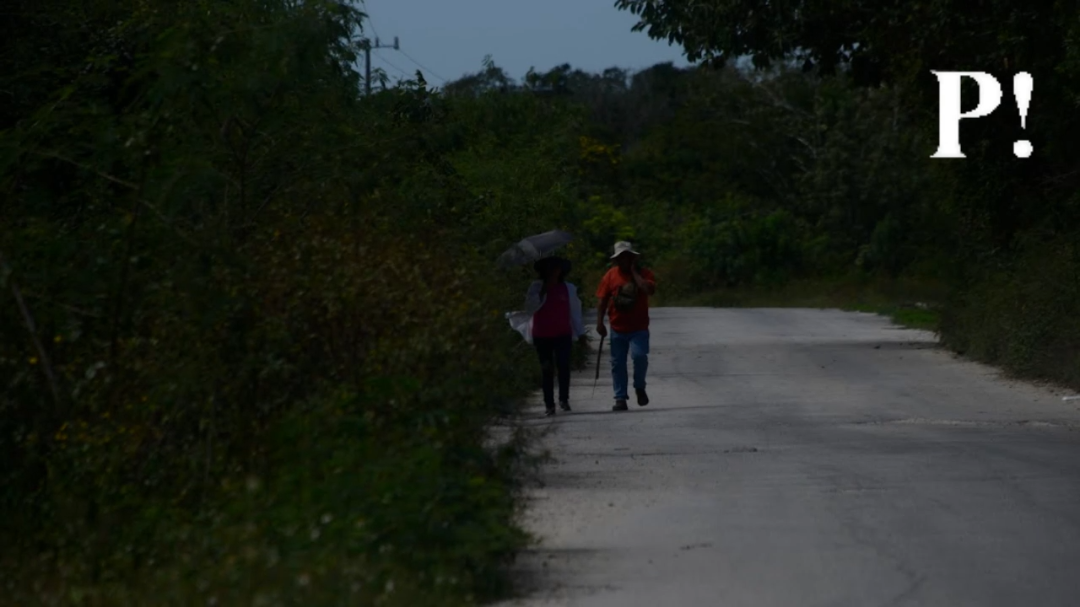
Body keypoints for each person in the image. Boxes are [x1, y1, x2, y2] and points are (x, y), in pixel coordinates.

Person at [514, 256, 586, 416]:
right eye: (551, 268)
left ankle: (564, 399)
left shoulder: (568, 288)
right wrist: (544, 289)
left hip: (563, 334)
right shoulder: (535, 287)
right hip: (542, 335)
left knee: (563, 365)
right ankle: (549, 404)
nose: (554, 271)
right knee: (547, 369)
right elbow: (530, 307)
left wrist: (581, 334)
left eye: (557, 268)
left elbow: (575, 312)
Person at [595, 241, 657, 411]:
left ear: (633, 258)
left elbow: (648, 289)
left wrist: (634, 273)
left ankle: (639, 387)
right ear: (616, 260)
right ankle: (620, 397)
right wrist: (600, 323)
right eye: (621, 257)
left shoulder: (645, 274)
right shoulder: (610, 276)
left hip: (639, 327)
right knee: (618, 363)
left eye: (628, 256)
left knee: (639, 357)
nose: (625, 259)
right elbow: (602, 301)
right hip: (617, 327)